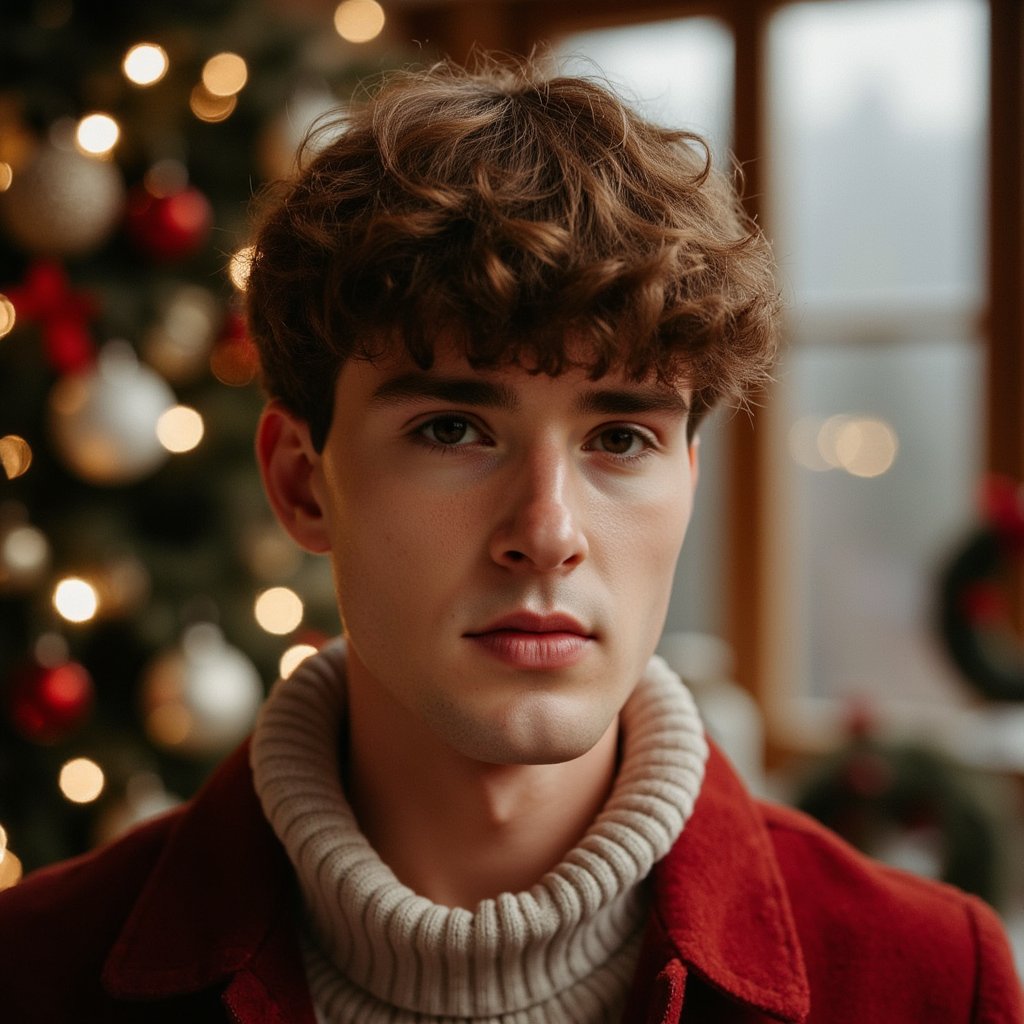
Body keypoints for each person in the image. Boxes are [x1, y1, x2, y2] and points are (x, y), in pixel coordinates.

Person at [0, 55, 1021, 1024]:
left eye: (620, 438)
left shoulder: (931, 980)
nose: (547, 534)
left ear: (689, 483)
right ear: (301, 483)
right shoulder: (35, 972)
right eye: (451, 429)